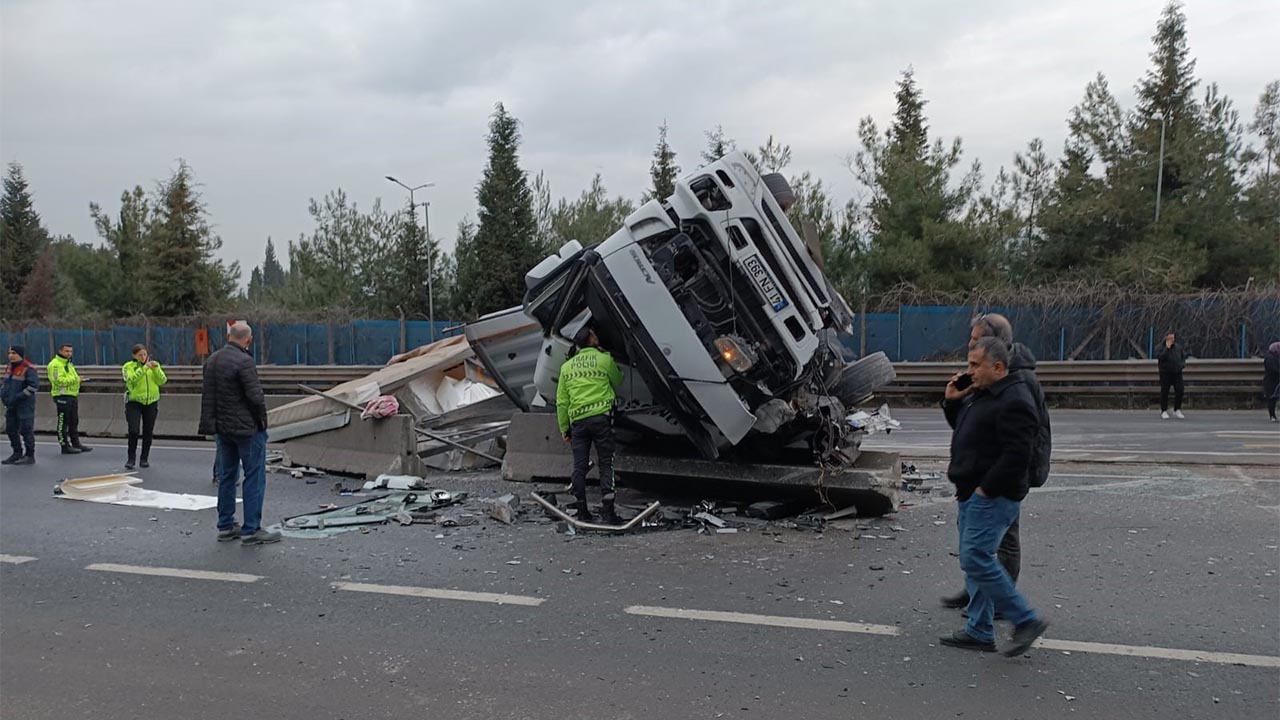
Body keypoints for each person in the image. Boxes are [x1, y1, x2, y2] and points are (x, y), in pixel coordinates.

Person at [939, 337, 1049, 657]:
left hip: (991, 496)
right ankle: (979, 629)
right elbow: (965, 430)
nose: (969, 371)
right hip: (971, 491)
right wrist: (951, 401)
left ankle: (1025, 619)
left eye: (975, 365)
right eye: (969, 363)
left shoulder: (1014, 398)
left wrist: (985, 489)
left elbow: (1018, 454)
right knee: (975, 561)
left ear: (998, 367)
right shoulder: (983, 393)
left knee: (976, 558)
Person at [199, 322, 278, 545]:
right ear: (249, 340)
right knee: (254, 476)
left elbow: (209, 396)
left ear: (228, 336)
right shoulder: (245, 361)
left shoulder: (212, 360)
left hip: (222, 428)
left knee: (227, 476)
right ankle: (251, 530)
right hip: (246, 429)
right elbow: (255, 397)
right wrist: (262, 422)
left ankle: (225, 526)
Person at [556, 325, 624, 524]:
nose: (597, 336)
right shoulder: (604, 359)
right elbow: (618, 380)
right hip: (601, 419)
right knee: (605, 462)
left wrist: (564, 428)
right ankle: (608, 512)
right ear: (591, 340)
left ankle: (582, 511)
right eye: (594, 334)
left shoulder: (566, 367)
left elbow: (561, 402)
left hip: (578, 423)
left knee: (579, 466)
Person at [122, 344, 167, 469]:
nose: (143, 357)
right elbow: (131, 380)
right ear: (134, 356)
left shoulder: (153, 365)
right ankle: (131, 458)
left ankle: (144, 458)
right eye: (140, 355)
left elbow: (162, 380)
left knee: (148, 431)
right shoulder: (128, 367)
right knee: (134, 430)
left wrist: (156, 369)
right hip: (134, 402)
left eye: (145, 354)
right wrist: (143, 369)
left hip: (151, 402)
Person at [49, 343, 92, 454]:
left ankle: (76, 443)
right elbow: (58, 381)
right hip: (62, 395)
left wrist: (78, 380)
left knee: (74, 421)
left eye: (70, 351)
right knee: (63, 422)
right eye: (66, 351)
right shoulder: (55, 364)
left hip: (72, 395)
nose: (69, 354)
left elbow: (72, 377)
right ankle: (64, 445)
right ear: (60, 351)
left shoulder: (69, 364)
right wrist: (77, 380)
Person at [2, 345, 39, 466]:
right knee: (11, 429)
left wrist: (18, 397)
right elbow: (6, 384)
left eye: (13, 353)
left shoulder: (28, 368)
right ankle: (17, 452)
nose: (10, 355)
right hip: (11, 404)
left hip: (24, 405)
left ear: (20, 354)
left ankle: (29, 455)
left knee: (26, 429)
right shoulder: (9, 367)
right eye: (9, 353)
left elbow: (33, 386)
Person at [1155, 332, 1187, 420]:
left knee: (1180, 390)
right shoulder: (1160, 347)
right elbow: (1160, 358)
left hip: (1177, 372)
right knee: (1165, 391)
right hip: (1165, 373)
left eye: (1173, 338)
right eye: (1170, 338)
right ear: (1166, 338)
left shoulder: (1178, 347)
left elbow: (1183, 357)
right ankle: (1164, 410)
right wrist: (1167, 348)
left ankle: (1177, 409)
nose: (1172, 340)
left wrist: (1182, 365)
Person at [1264, 342, 1280, 423]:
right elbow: (1274, 370)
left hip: (1276, 381)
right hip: (1271, 382)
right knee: (1271, 399)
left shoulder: (1275, 358)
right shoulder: (1270, 358)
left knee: (1274, 398)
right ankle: (1272, 415)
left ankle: (1273, 415)